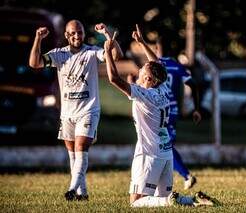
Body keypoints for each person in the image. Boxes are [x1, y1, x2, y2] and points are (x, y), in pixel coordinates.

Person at [102, 25, 219, 207]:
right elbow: (157, 65)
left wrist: (107, 52)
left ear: (149, 79)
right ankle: (194, 200)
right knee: (158, 201)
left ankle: (170, 199)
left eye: (143, 70)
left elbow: (114, 79)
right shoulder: (162, 87)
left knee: (136, 203)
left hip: (148, 155)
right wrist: (141, 42)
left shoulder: (145, 94)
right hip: (165, 154)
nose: (140, 70)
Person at [29, 20, 123, 201]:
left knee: (81, 148)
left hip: (88, 110)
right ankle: (83, 193)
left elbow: (116, 56)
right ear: (66, 35)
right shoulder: (59, 54)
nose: (77, 36)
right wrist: (37, 39)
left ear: (83, 33)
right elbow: (35, 63)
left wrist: (108, 36)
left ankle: (72, 189)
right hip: (67, 114)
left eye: (79, 32)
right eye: (72, 33)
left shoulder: (92, 52)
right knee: (73, 154)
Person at [130, 24, 202, 190]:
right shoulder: (176, 66)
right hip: (171, 109)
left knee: (162, 145)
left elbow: (154, 60)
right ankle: (173, 178)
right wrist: (196, 108)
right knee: (165, 144)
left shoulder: (158, 65)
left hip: (154, 108)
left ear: (157, 47)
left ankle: (181, 176)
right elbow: (193, 84)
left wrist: (141, 42)